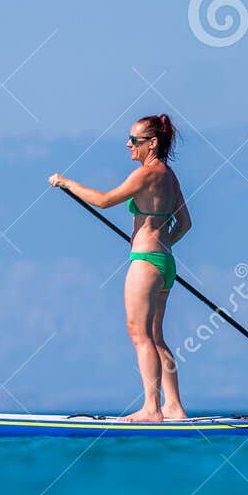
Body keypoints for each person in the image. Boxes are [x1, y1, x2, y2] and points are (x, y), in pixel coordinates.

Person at [49, 115, 193, 421]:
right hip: (165, 263)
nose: (129, 144)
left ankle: (152, 409)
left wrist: (66, 183)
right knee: (155, 336)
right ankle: (174, 407)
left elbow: (103, 201)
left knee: (139, 334)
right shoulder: (170, 176)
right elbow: (185, 223)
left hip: (144, 264)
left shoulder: (145, 175)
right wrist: (160, 242)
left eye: (135, 140)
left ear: (152, 143)